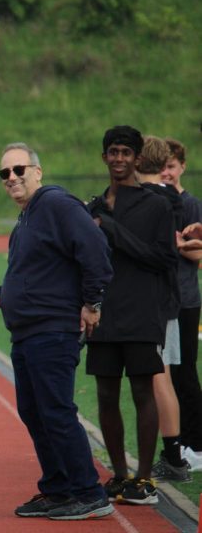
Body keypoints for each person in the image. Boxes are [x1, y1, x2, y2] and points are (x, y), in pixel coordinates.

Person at [0, 142, 114, 520]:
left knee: (55, 411)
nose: (12, 178)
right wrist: (3, 296)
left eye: (18, 169)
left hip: (52, 331)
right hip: (27, 332)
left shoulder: (56, 205)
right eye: (4, 173)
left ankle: (89, 492)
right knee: (35, 412)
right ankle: (57, 488)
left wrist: (93, 303)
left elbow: (96, 251)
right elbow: (41, 272)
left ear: (37, 171)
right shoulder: (28, 218)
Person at [85, 125, 177, 505]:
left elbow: (163, 259)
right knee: (106, 393)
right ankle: (120, 474)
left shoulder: (157, 205)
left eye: (126, 152)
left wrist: (112, 228)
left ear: (138, 159)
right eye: (113, 151)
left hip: (141, 313)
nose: (119, 158)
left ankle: (144, 479)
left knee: (143, 392)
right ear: (104, 157)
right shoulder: (91, 206)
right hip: (104, 314)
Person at [134, 135, 190, 482]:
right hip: (165, 300)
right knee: (162, 378)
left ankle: (173, 457)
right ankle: (173, 456)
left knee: (158, 379)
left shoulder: (150, 200)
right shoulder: (169, 199)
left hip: (153, 302)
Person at [161, 137, 202, 469]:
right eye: (162, 167)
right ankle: (182, 441)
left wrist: (175, 245)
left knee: (185, 373)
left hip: (186, 300)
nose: (167, 172)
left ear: (182, 167)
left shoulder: (190, 205)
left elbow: (200, 253)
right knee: (168, 375)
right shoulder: (157, 202)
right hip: (163, 301)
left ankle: (196, 444)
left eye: (172, 166)